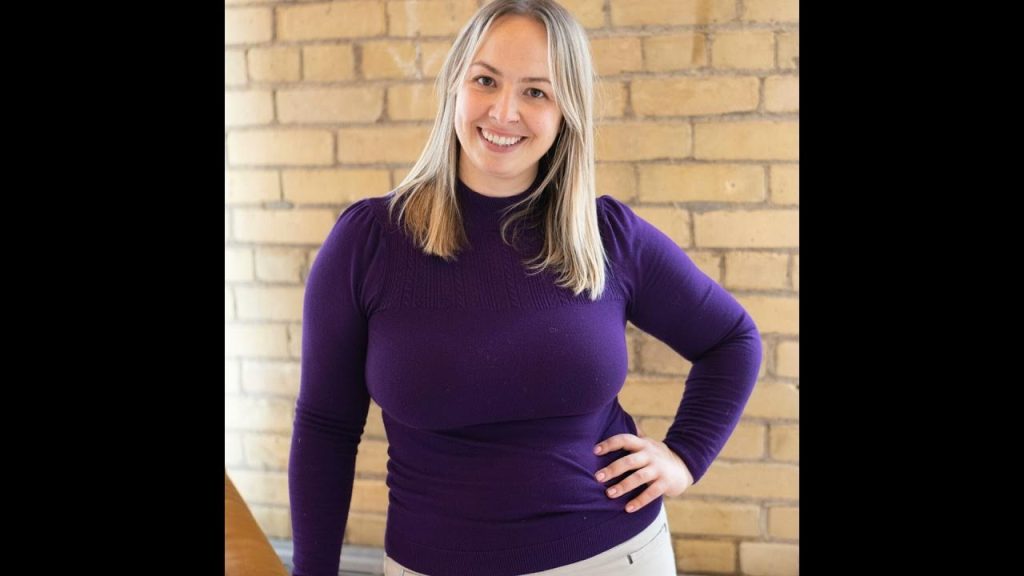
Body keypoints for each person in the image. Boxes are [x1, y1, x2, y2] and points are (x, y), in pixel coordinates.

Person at [288, 1, 761, 575]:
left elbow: (732, 339)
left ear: (568, 112)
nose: (504, 110)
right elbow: (325, 428)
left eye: (537, 91)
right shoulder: (368, 242)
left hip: (614, 556)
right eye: (486, 80)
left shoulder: (606, 235)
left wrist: (685, 456)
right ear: (455, 88)